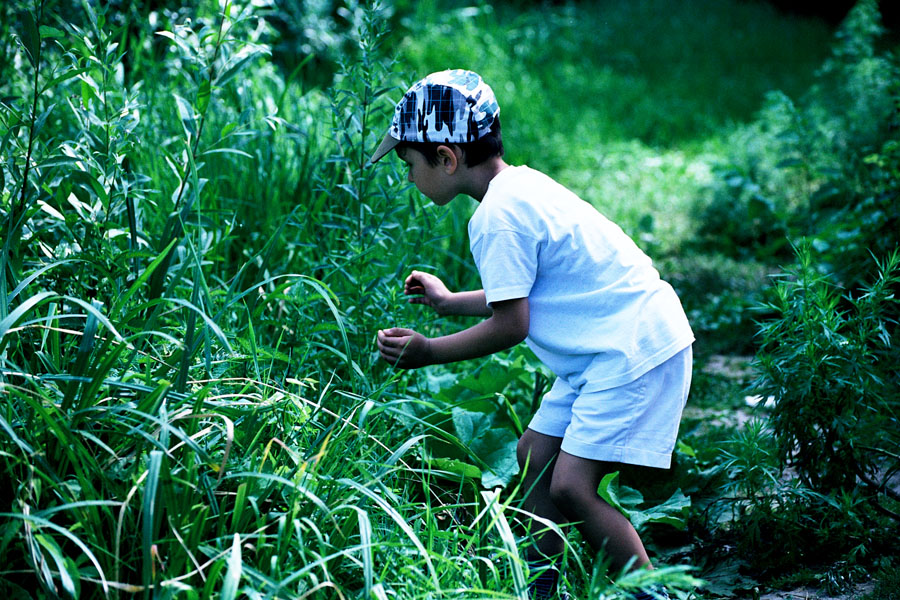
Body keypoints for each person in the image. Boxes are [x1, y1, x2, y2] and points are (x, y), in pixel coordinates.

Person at [371, 69, 694, 600]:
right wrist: (451, 303)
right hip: (612, 344)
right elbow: (523, 296)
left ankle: (654, 593)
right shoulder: (519, 188)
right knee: (534, 458)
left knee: (570, 485)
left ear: (447, 158)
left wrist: (429, 352)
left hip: (631, 350)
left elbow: (511, 324)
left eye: (410, 164)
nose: (409, 177)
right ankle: (544, 587)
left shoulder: (496, 218)